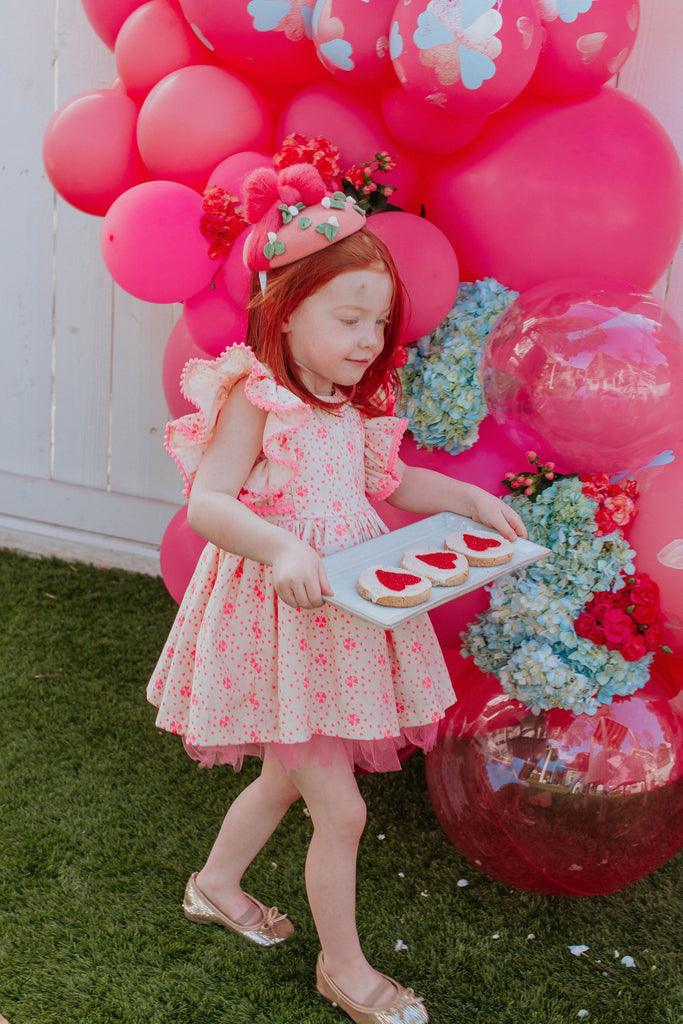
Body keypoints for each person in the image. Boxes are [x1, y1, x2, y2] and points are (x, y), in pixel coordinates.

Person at [147, 160, 527, 1024]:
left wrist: (466, 497)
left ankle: (213, 885)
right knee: (341, 810)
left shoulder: (346, 406)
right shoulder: (255, 393)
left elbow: (386, 486)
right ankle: (344, 971)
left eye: (378, 322)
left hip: (342, 618)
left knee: (287, 779)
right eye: (349, 317)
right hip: (282, 615)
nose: (367, 338)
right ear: (287, 312)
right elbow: (208, 500)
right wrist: (282, 545)